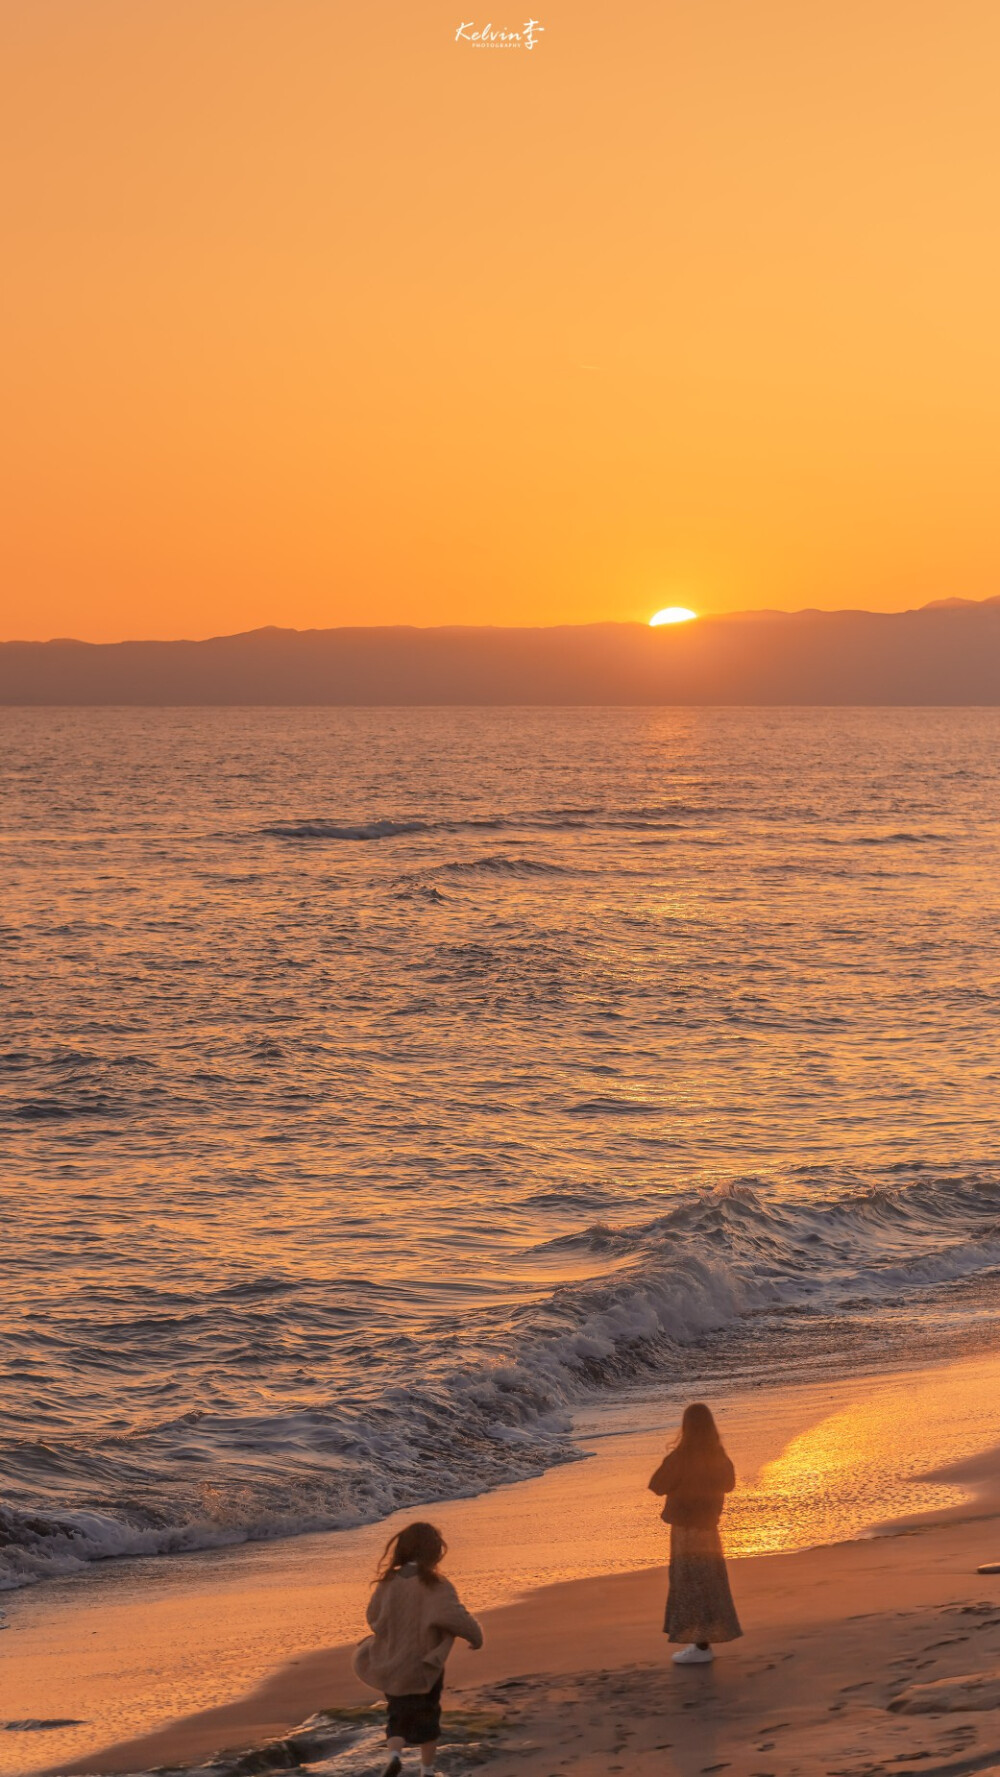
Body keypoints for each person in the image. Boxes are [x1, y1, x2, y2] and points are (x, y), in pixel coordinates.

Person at [354, 1521, 483, 1777]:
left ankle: (394, 1755)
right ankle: (427, 1770)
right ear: (434, 1552)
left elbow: (373, 1617)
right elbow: (454, 1616)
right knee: (428, 1716)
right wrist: (475, 1636)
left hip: (392, 1664)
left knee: (397, 1716)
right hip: (424, 1666)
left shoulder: (388, 1583)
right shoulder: (435, 1584)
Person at [648, 1401, 742, 1665]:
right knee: (710, 1581)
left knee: (689, 1582)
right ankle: (703, 1643)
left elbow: (657, 1485)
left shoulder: (679, 1457)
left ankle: (700, 1646)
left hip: (686, 1529)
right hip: (709, 1527)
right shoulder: (719, 1457)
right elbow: (729, 1484)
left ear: (686, 1428)